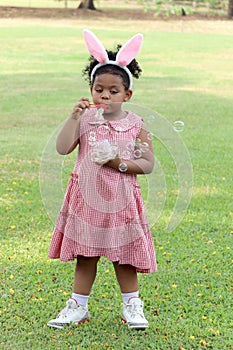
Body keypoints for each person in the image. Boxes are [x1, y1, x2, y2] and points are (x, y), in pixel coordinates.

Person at [47, 29, 157, 330]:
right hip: (87, 198)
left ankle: (132, 305)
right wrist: (73, 117)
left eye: (113, 90)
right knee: (86, 254)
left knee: (125, 257)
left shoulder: (136, 124)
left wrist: (118, 163)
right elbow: (62, 148)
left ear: (127, 94)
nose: (105, 95)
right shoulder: (85, 119)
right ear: (91, 89)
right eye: (99, 89)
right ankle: (77, 306)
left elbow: (147, 163)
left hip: (121, 200)